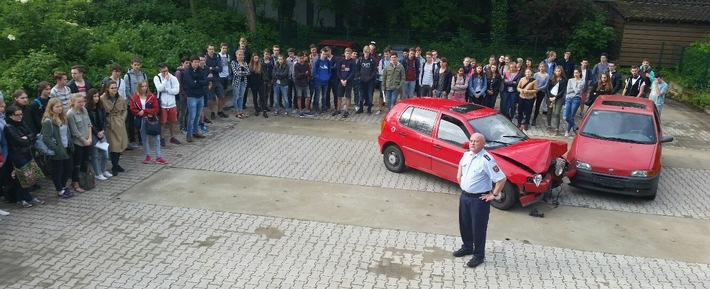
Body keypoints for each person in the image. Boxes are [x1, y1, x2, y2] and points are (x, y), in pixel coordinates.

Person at [453, 133, 506, 268]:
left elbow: (501, 178)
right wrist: (459, 177)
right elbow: (460, 166)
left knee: (478, 228)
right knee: (464, 224)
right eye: (471, 141)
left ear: (483, 143)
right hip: (465, 196)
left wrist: (493, 195)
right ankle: (467, 247)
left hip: (479, 200)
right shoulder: (467, 154)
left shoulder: (487, 160)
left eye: (476, 141)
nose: (472, 143)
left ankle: (478, 255)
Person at [4, 104, 45, 208]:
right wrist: (26, 139)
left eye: (21, 114)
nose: (20, 117)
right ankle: (21, 198)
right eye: (17, 115)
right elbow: (18, 141)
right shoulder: (8, 127)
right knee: (22, 177)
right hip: (17, 155)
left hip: (27, 152)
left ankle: (28, 196)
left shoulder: (22, 123)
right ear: (10, 116)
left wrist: (26, 138)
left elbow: (33, 134)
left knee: (30, 176)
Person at [42, 98, 75, 197]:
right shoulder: (48, 121)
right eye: (57, 107)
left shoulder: (63, 117)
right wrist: (57, 149)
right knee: (58, 171)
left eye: (61, 106)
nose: (60, 108)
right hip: (58, 149)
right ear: (51, 108)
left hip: (66, 147)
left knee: (69, 168)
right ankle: (60, 190)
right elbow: (46, 138)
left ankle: (63, 186)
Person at [130, 80, 166, 164]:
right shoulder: (135, 97)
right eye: (142, 86)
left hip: (151, 119)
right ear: (139, 87)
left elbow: (156, 109)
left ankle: (158, 156)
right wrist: (139, 113)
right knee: (144, 138)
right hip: (141, 119)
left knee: (156, 138)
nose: (144, 88)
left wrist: (145, 111)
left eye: (145, 86)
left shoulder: (151, 96)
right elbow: (132, 109)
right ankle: (148, 155)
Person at [101, 80, 129, 175]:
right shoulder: (102, 99)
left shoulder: (119, 97)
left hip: (120, 123)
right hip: (110, 125)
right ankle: (114, 166)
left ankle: (116, 164)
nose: (114, 90)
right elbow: (101, 113)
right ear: (107, 89)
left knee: (121, 145)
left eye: (115, 88)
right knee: (114, 146)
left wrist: (122, 118)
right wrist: (107, 121)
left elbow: (125, 109)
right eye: (112, 88)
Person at [66, 94, 92, 192]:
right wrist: (84, 141)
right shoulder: (70, 114)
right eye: (79, 102)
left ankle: (84, 181)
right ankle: (75, 182)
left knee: (85, 162)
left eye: (82, 101)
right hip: (78, 143)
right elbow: (74, 131)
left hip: (87, 140)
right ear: (73, 102)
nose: (82, 104)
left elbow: (89, 124)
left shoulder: (84, 110)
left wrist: (89, 138)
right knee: (76, 164)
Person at [86, 89, 112, 181]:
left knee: (105, 154)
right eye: (94, 96)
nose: (96, 98)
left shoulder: (100, 106)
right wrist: (97, 132)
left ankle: (104, 170)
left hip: (101, 132)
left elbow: (104, 119)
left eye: (97, 96)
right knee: (95, 154)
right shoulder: (87, 108)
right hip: (93, 133)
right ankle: (98, 173)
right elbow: (90, 123)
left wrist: (102, 131)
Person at [123, 57, 147, 150]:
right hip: (131, 103)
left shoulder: (143, 75)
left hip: (142, 102)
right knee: (131, 122)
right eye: (135, 65)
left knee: (141, 121)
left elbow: (146, 88)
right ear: (131, 65)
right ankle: (132, 140)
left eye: (138, 65)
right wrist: (134, 100)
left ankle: (141, 139)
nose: (136, 66)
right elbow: (127, 90)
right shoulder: (127, 76)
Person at [154, 63, 181, 146]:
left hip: (172, 103)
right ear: (160, 71)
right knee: (162, 122)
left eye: (166, 70)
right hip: (162, 104)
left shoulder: (173, 78)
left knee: (173, 121)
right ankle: (162, 138)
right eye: (163, 71)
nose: (166, 73)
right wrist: (165, 80)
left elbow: (176, 91)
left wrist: (167, 89)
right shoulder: (157, 78)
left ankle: (172, 137)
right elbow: (159, 88)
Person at [184, 56, 208, 142]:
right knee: (192, 116)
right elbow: (191, 84)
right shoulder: (187, 72)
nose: (197, 64)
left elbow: (206, 81)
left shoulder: (200, 71)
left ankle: (195, 132)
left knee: (198, 115)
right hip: (192, 97)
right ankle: (189, 134)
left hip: (200, 96)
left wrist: (197, 82)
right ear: (191, 62)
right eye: (195, 62)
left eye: (198, 62)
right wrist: (199, 83)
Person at [333, 48, 356, 118]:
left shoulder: (352, 62)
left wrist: (346, 80)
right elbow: (338, 71)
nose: (348, 55)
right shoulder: (341, 61)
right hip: (341, 81)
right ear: (344, 53)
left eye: (349, 53)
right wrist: (341, 80)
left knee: (348, 97)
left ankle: (346, 111)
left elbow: (352, 73)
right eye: (346, 53)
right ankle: (338, 109)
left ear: (351, 54)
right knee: (339, 96)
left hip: (348, 82)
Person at [546, 66, 567, 135]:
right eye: (556, 71)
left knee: (557, 113)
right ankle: (549, 125)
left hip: (559, 97)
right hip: (550, 96)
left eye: (559, 71)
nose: (558, 72)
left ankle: (557, 128)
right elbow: (547, 88)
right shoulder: (551, 79)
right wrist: (549, 97)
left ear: (561, 72)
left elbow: (563, 90)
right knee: (549, 112)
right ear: (554, 71)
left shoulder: (564, 80)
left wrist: (556, 97)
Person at [357, 46, 377, 113]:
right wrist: (359, 77)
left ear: (369, 52)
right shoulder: (360, 59)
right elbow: (357, 69)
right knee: (361, 95)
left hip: (370, 81)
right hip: (361, 81)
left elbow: (375, 70)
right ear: (363, 52)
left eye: (367, 52)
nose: (366, 53)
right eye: (365, 52)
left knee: (369, 95)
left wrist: (370, 77)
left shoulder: (372, 59)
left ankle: (369, 109)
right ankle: (361, 108)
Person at [564, 69, 584, 137]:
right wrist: (575, 87)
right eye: (574, 73)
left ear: (580, 73)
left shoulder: (582, 81)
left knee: (572, 115)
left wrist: (573, 87)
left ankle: (567, 130)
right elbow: (568, 90)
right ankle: (574, 126)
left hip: (576, 98)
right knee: (566, 116)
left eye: (577, 73)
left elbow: (578, 91)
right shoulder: (570, 80)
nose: (575, 74)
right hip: (568, 98)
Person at [230, 50, 250, 119]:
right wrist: (243, 72)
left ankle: (241, 110)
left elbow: (248, 72)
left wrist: (241, 72)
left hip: (243, 82)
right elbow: (235, 73)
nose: (241, 56)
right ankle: (237, 111)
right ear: (236, 55)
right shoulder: (233, 62)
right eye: (239, 55)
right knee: (236, 97)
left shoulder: (245, 63)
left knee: (241, 97)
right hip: (236, 82)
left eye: (242, 55)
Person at [248, 53, 268, 118]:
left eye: (257, 58)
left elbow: (264, 74)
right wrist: (249, 85)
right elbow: (249, 77)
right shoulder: (250, 66)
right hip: (253, 84)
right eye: (255, 58)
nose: (256, 60)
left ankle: (264, 110)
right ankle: (256, 109)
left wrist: (265, 81)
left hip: (260, 84)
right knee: (255, 97)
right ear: (253, 59)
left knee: (262, 97)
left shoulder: (260, 65)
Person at [312, 49, 331, 115]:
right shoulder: (317, 61)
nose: (324, 55)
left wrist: (327, 77)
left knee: (324, 96)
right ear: (320, 54)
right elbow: (314, 72)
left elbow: (329, 71)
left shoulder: (327, 61)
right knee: (317, 96)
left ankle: (323, 108)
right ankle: (317, 109)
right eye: (323, 54)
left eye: (325, 54)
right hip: (318, 82)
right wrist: (318, 78)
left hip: (325, 82)